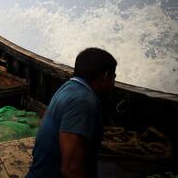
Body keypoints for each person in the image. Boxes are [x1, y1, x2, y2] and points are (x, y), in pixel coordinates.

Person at [26, 47, 117, 178]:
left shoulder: (68, 87)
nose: (113, 83)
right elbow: (70, 169)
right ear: (106, 76)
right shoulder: (83, 102)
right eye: (113, 78)